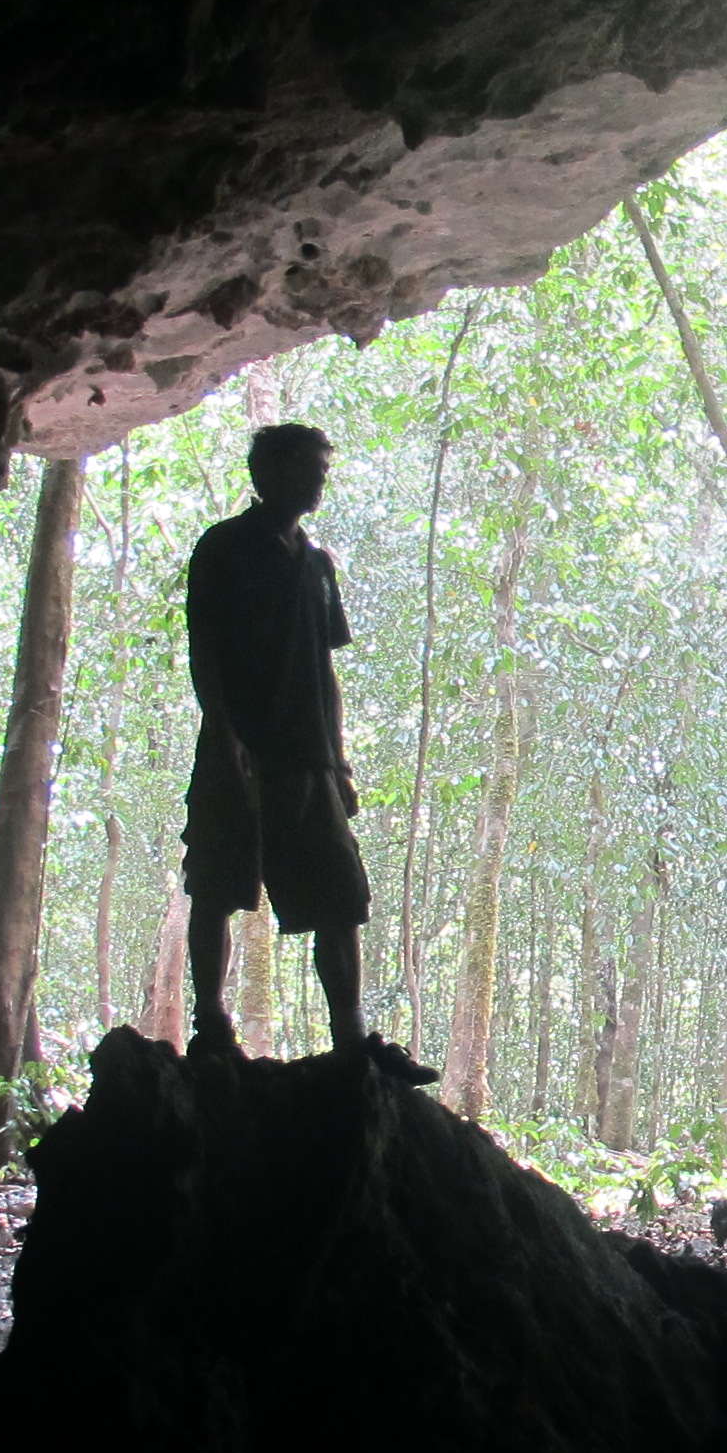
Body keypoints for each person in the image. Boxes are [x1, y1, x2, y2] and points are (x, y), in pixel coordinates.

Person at [181, 422, 432, 1078]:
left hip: (307, 756)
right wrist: (229, 736)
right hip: (235, 748)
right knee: (216, 883)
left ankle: (351, 1044)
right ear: (277, 470)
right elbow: (204, 651)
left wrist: (339, 761)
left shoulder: (315, 565)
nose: (322, 478)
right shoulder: (224, 549)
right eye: (313, 466)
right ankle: (211, 1025)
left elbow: (324, 672)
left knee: (340, 899)